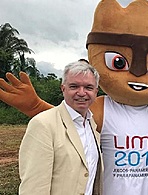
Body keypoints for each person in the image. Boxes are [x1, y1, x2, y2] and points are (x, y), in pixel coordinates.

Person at [18, 61, 103, 195]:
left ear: (96, 92)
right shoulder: (43, 124)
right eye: (74, 86)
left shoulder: (92, 125)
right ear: (63, 88)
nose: (81, 93)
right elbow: (34, 187)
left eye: (88, 87)